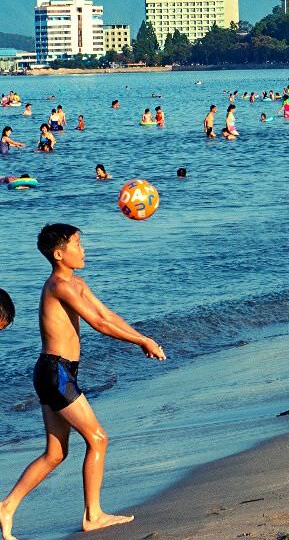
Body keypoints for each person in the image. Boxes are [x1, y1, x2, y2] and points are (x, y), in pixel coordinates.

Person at [0, 224, 166, 540]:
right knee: (98, 438)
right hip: (55, 373)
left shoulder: (77, 283)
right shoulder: (58, 287)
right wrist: (141, 342)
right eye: (77, 244)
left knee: (55, 453)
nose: (83, 249)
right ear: (59, 254)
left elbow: (109, 314)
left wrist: (142, 336)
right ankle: (93, 515)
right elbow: (99, 323)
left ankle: (6, 506)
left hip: (58, 373)